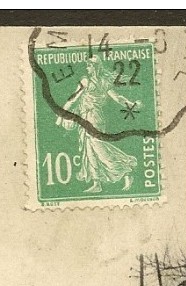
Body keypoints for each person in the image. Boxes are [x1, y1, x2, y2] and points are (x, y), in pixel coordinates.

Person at [57, 54, 139, 193]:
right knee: (89, 150)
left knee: (98, 147)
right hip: (84, 117)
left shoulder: (99, 82)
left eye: (89, 65)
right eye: (87, 65)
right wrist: (62, 113)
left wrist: (130, 104)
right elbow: (74, 97)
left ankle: (125, 168)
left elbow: (117, 98)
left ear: (95, 67)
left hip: (94, 117)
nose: (87, 68)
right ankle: (97, 183)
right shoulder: (87, 81)